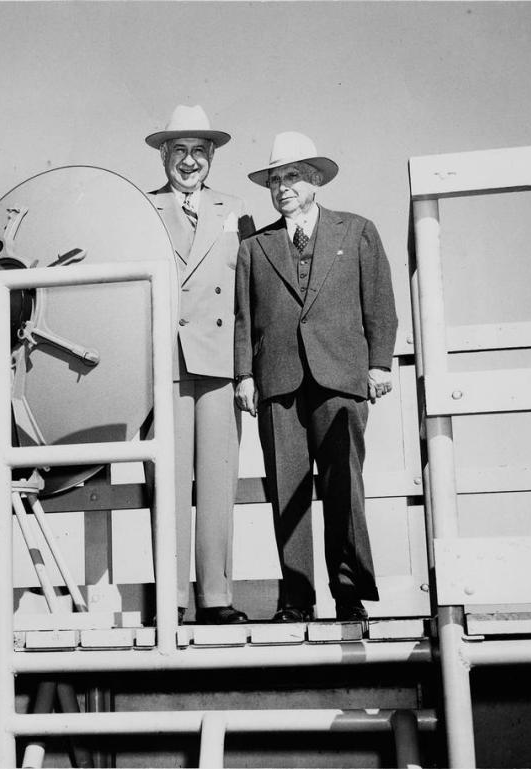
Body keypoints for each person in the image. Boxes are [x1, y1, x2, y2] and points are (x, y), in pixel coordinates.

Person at [233, 131, 397, 622]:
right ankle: (297, 599)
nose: (283, 187)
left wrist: (380, 363)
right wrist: (244, 374)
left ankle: (349, 594)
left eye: (294, 177)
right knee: (288, 489)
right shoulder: (254, 247)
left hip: (341, 379)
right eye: (275, 179)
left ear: (317, 181)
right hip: (277, 382)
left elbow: (381, 303)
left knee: (345, 483)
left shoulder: (358, 231)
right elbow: (244, 319)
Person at [145, 105, 253, 624]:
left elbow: (253, 296)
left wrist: (249, 367)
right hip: (162, 365)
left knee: (217, 481)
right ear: (164, 155)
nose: (189, 163)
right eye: (180, 151)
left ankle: (215, 599)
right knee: (166, 482)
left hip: (218, 364)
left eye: (200, 152)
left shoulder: (238, 211)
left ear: (212, 159)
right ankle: (171, 600)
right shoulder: (139, 209)